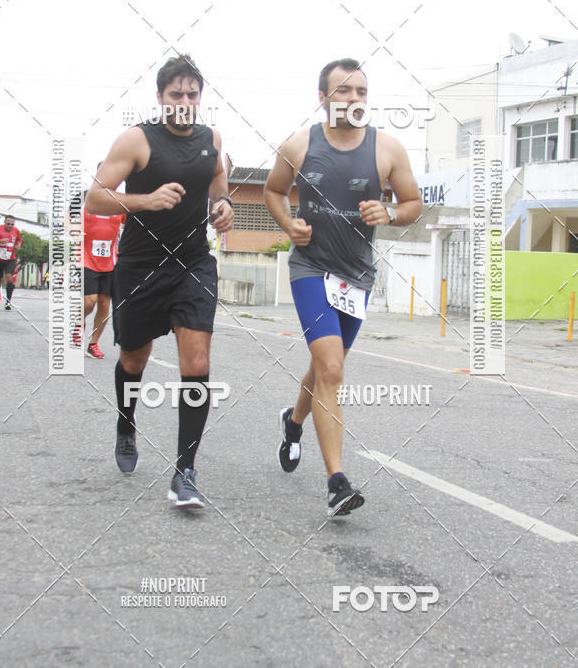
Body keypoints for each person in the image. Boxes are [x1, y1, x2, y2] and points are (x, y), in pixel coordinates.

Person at [264, 58, 422, 516]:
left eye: (361, 92)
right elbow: (274, 191)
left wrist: (390, 213)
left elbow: (412, 203)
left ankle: (293, 424)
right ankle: (337, 483)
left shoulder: (387, 150)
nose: (354, 100)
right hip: (310, 269)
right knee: (331, 368)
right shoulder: (298, 145)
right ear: (323, 98)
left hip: (356, 278)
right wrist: (287, 223)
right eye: (344, 91)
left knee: (324, 367)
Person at [85, 54, 233, 508]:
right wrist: (146, 200)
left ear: (200, 97)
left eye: (192, 94)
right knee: (134, 356)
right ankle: (126, 423)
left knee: (197, 360)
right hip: (141, 265)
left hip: (192, 264)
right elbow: (94, 196)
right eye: (176, 94)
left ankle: (184, 472)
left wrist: (223, 205)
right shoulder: (137, 140)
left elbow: (218, 181)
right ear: (160, 98)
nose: (185, 101)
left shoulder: (212, 139)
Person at [73, 167, 124, 358]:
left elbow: (132, 222)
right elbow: (68, 220)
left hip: (110, 261)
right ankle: (79, 323)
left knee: (104, 304)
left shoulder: (120, 201)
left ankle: (93, 344)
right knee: (89, 301)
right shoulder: (84, 197)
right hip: (86, 258)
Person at [0, 215, 23, 310]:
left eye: (12, 224)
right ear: (4, 222)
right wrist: (0, 240)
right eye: (8, 224)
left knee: (9, 278)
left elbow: (19, 239)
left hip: (10, 259)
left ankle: (8, 302)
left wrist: (18, 244)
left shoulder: (16, 231)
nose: (10, 226)